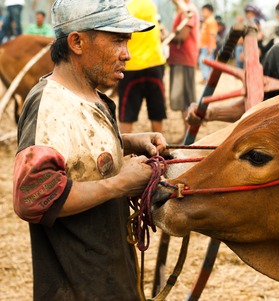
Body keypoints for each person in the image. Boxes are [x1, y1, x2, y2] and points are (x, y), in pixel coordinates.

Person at [13, 0, 168, 300]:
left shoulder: (92, 96)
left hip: (109, 278)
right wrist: (120, 183)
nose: (128, 54)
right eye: (118, 41)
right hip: (77, 288)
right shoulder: (49, 105)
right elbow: (32, 197)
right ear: (77, 42)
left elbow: (76, 149)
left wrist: (127, 142)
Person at [118, 0, 167, 134]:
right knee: (157, 108)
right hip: (155, 63)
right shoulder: (151, 6)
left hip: (132, 66)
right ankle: (160, 146)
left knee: (127, 111)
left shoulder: (125, 8)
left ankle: (125, 148)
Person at [167, 0, 200, 137]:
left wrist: (166, 37)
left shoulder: (188, 11)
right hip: (181, 58)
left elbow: (183, 35)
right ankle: (186, 133)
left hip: (184, 58)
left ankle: (188, 134)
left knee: (186, 100)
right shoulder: (183, 11)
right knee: (183, 100)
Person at [198, 3, 218, 84]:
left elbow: (212, 35)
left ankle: (207, 78)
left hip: (208, 46)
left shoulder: (211, 21)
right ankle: (208, 78)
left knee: (204, 62)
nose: (202, 13)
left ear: (209, 11)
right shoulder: (206, 21)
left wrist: (210, 47)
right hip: (205, 46)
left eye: (204, 11)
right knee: (208, 63)